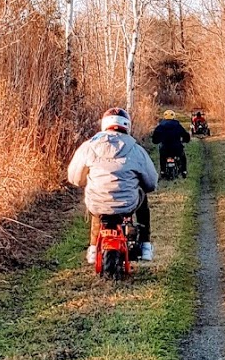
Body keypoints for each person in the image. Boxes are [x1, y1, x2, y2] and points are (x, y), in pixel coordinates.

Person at [67, 108, 158, 264]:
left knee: (96, 207)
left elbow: (74, 178)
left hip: (97, 203)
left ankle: (93, 248)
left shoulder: (88, 146)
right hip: (128, 204)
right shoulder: (136, 149)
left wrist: (86, 182)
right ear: (127, 125)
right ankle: (145, 245)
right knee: (143, 197)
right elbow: (150, 183)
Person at [151, 108, 191, 177]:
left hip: (165, 149)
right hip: (177, 148)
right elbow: (185, 135)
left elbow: (155, 137)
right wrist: (186, 140)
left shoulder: (160, 126)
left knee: (162, 157)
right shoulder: (177, 125)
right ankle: (184, 171)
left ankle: (163, 171)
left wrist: (156, 141)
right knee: (182, 157)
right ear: (173, 117)